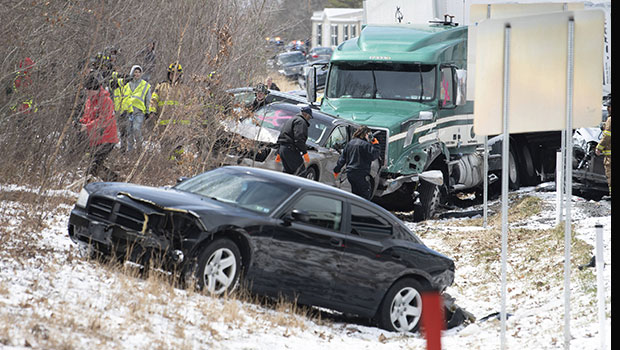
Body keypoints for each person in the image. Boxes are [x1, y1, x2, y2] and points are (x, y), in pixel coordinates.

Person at [79, 75, 119, 181]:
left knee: (94, 165)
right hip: (95, 139)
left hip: (107, 137)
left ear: (94, 90)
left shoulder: (106, 100)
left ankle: (89, 184)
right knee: (96, 163)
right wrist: (80, 123)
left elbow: (104, 120)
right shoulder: (89, 101)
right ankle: (114, 178)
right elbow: (87, 117)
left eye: (88, 90)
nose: (87, 93)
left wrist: (87, 126)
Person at [333, 126, 381, 200]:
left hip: (350, 174)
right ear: (366, 134)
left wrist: (337, 170)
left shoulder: (350, 143)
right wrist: (376, 144)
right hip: (361, 174)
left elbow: (342, 159)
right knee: (365, 195)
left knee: (355, 194)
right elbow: (374, 155)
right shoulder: (366, 145)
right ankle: (362, 211)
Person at [119, 65, 152, 152]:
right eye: (135, 72)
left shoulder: (145, 85)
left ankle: (139, 148)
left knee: (136, 129)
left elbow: (148, 99)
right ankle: (130, 152)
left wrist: (148, 111)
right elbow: (122, 97)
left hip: (139, 111)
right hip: (128, 111)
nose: (137, 74)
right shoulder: (126, 84)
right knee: (129, 132)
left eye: (138, 72)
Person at [276, 105, 313, 175]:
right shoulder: (301, 122)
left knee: (288, 173)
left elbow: (282, 136)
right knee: (300, 173)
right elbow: (299, 138)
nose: (309, 119)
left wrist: (279, 151)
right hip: (291, 150)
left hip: (283, 149)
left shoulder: (291, 119)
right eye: (309, 117)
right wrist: (304, 152)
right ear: (306, 114)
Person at [596, 98, 611, 196]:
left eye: (608, 107)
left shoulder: (610, 119)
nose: (608, 108)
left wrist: (599, 147)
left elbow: (607, 136)